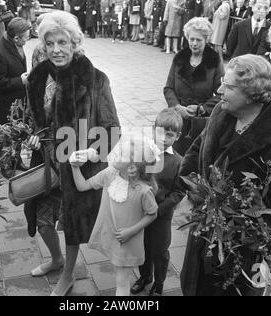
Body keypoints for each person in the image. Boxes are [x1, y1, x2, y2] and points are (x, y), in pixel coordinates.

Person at [179, 54, 271, 296]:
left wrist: (246, 217)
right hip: (206, 231)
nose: (218, 90)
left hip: (245, 246)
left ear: (252, 92)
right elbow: (197, 148)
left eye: (227, 86)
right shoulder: (220, 112)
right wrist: (192, 185)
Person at [25, 10, 120, 296]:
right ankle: (55, 260)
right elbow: (36, 121)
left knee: (71, 225)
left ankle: (67, 275)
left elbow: (113, 129)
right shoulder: (37, 78)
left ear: (75, 43)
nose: (56, 50)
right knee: (41, 221)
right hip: (45, 162)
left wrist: (92, 153)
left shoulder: (96, 80)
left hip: (77, 168)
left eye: (63, 42)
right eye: (50, 43)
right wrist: (31, 135)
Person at [70, 136, 159, 296]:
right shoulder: (110, 174)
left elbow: (152, 214)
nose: (116, 154)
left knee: (122, 281)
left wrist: (131, 231)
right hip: (112, 237)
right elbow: (82, 186)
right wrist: (74, 166)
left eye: (121, 154)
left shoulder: (144, 190)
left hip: (128, 241)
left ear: (132, 166)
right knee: (118, 277)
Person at [130, 108, 185, 296]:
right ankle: (145, 277)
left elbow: (178, 192)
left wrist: (158, 210)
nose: (163, 138)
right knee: (142, 249)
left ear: (177, 136)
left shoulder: (178, 162)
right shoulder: (144, 153)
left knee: (159, 252)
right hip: (140, 212)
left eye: (169, 135)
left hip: (161, 216)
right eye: (160, 132)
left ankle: (159, 284)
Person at [164, 17, 224, 156]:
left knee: (197, 159)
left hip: (201, 123)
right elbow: (168, 88)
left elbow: (223, 93)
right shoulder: (180, 58)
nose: (194, 43)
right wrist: (178, 107)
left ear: (206, 40)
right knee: (176, 158)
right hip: (177, 120)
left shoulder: (214, 60)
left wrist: (202, 109)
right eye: (191, 39)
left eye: (199, 40)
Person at [0, 17, 31, 135]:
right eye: (26, 38)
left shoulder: (16, 45)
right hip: (5, 110)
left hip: (18, 107)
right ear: (16, 38)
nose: (28, 40)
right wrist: (20, 81)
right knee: (7, 147)